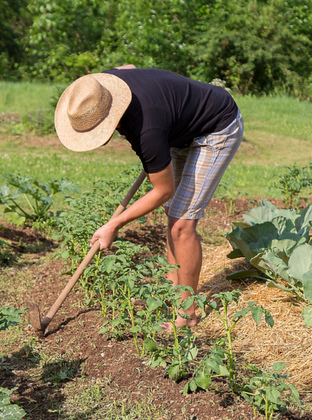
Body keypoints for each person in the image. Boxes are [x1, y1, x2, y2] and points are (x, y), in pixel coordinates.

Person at [54, 66, 243, 327]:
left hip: (215, 127)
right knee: (173, 215)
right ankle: (171, 294)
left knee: (181, 224)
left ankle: (186, 315)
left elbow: (164, 190)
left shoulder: (146, 129)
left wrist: (113, 224)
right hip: (178, 127)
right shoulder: (103, 88)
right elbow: (129, 68)